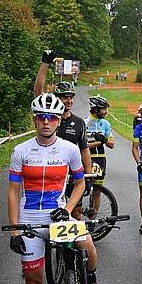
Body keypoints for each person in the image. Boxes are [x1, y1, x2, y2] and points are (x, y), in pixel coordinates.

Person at [7, 94, 102, 284]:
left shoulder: (69, 150)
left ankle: (92, 283)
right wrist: (15, 230)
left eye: (51, 118)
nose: (46, 122)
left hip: (59, 214)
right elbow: (13, 193)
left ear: (59, 121)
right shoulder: (21, 151)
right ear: (35, 120)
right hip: (29, 217)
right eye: (41, 117)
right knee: (33, 279)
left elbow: (81, 183)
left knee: (87, 244)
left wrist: (69, 207)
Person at [33, 50, 92, 213]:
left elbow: (85, 150)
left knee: (76, 214)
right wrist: (45, 64)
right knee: (49, 214)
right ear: (57, 99)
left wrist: (88, 176)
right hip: (50, 173)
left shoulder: (79, 122)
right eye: (65, 97)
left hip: (72, 174)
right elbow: (38, 93)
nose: (69, 101)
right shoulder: (48, 118)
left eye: (71, 97)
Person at [85, 95, 115, 210]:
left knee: (97, 190)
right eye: (104, 109)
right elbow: (82, 145)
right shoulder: (84, 122)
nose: (106, 112)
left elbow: (111, 144)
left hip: (101, 159)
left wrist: (104, 139)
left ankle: (93, 219)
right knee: (83, 187)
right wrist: (98, 142)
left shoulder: (106, 124)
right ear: (96, 109)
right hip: (87, 158)